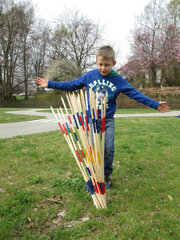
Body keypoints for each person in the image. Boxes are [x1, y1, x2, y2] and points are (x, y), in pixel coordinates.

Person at [35, 45, 170, 188]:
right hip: (90, 118)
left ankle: (105, 175)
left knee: (108, 148)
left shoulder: (118, 80)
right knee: (91, 148)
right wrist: (50, 83)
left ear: (113, 63)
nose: (103, 68)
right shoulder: (90, 76)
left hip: (108, 119)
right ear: (96, 62)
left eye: (107, 65)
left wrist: (154, 104)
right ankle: (93, 176)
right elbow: (72, 85)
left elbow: (135, 94)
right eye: (100, 64)